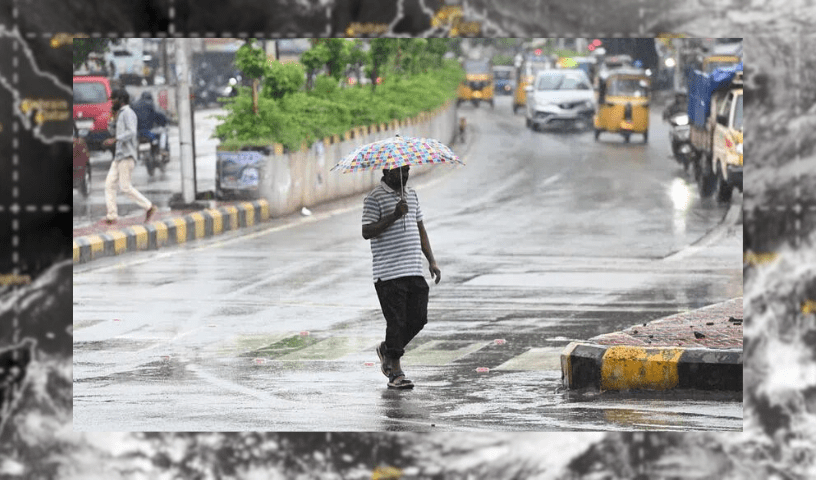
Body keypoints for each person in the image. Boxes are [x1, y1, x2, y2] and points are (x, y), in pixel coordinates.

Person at [362, 165, 441, 389]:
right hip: (388, 272)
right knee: (396, 321)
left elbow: (420, 229)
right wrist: (394, 215)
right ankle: (395, 372)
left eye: (407, 171)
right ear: (386, 172)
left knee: (418, 318)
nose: (404, 176)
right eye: (399, 172)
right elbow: (366, 231)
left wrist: (431, 261)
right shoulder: (374, 198)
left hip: (413, 268)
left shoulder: (412, 195)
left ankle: (387, 349)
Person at [102, 89, 157, 224]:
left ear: (120, 100)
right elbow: (114, 131)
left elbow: (131, 132)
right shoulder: (120, 114)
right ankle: (112, 215)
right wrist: (111, 121)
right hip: (119, 156)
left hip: (127, 155)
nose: (111, 102)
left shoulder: (128, 113)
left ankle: (149, 206)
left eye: (113, 99)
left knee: (125, 187)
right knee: (109, 185)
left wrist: (115, 140)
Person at [130, 91, 169, 163]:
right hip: (149, 131)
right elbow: (160, 115)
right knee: (163, 133)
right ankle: (163, 152)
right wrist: (165, 122)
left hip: (138, 132)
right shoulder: (151, 104)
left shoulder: (133, 106)